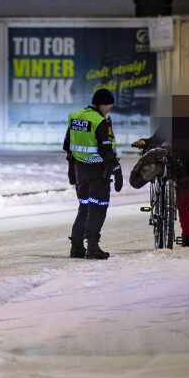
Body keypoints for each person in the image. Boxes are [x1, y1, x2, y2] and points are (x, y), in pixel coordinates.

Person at [131, 119, 189, 247]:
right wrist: (145, 142)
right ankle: (188, 237)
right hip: (180, 168)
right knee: (183, 203)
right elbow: (156, 139)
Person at [64, 88, 122, 259]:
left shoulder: (75, 116)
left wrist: (71, 171)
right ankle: (93, 247)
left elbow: (68, 145)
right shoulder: (100, 122)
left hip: (80, 170)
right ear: (102, 104)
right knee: (98, 207)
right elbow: (106, 150)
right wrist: (117, 171)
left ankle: (76, 246)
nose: (110, 109)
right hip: (98, 172)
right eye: (109, 106)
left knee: (84, 206)